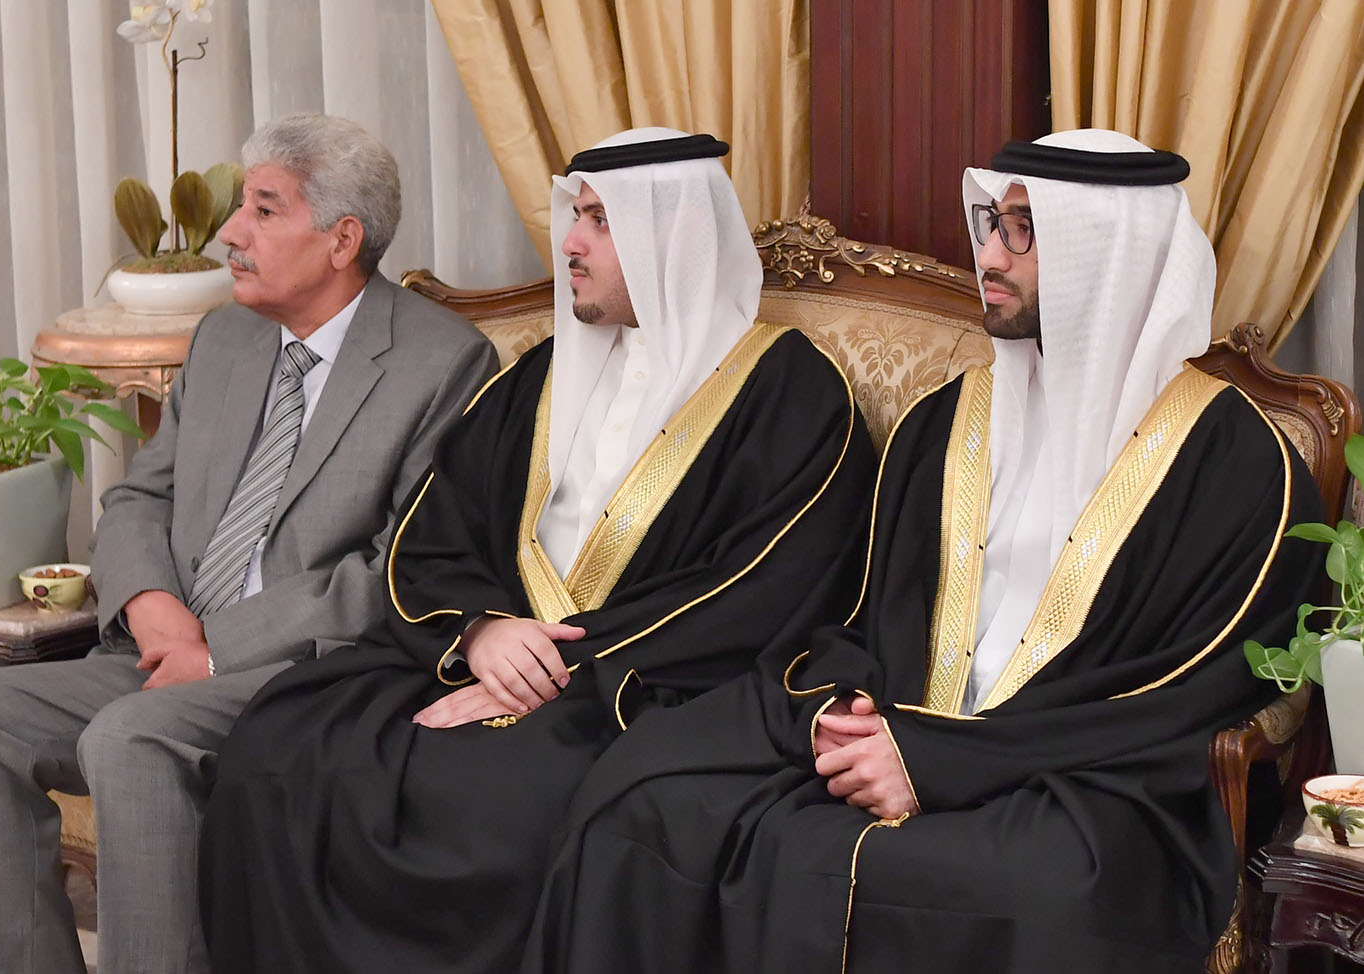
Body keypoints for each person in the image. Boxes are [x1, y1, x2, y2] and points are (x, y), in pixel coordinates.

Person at [519, 129, 1326, 974]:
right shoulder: (942, 423)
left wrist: (939, 764)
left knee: (1023, 892)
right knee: (647, 789)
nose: (990, 255)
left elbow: (1183, 695)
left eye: (1024, 230)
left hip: (1090, 778)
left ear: (1110, 256)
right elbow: (869, 615)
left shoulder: (1239, 465)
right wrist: (851, 718)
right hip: (898, 729)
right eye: (992, 225)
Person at [197, 127, 880, 973]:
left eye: (600, 221)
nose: (571, 244)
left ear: (675, 235)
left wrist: (555, 668)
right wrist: (481, 632)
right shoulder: (542, 373)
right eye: (575, 216)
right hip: (480, 656)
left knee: (485, 809)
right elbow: (437, 527)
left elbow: (761, 592)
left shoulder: (791, 391)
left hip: (642, 685)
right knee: (280, 748)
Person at [0, 113, 498, 974]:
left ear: (342, 239)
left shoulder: (444, 362)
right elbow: (140, 496)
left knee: (130, 737)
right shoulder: (225, 336)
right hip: (164, 648)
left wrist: (216, 649)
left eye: (264, 209)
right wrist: (153, 608)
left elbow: (400, 568)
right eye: (239, 207)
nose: (230, 232)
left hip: (305, 669)